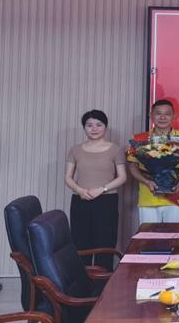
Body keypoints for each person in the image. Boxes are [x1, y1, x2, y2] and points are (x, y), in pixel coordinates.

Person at [64, 110, 127, 269]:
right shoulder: (75, 150)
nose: (94, 129)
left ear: (105, 127)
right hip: (80, 200)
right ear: (84, 127)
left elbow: (122, 177)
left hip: (107, 201)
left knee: (105, 243)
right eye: (89, 125)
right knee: (80, 243)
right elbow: (68, 177)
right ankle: (81, 282)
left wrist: (102, 189)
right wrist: (79, 190)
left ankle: (103, 281)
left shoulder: (115, 149)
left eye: (99, 125)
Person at [127, 99, 179, 224]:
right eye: (158, 113)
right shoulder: (139, 139)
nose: (162, 117)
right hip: (149, 196)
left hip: (177, 196)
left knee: (176, 234)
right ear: (151, 115)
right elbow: (133, 166)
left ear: (174, 116)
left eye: (167, 114)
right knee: (148, 235)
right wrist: (147, 181)